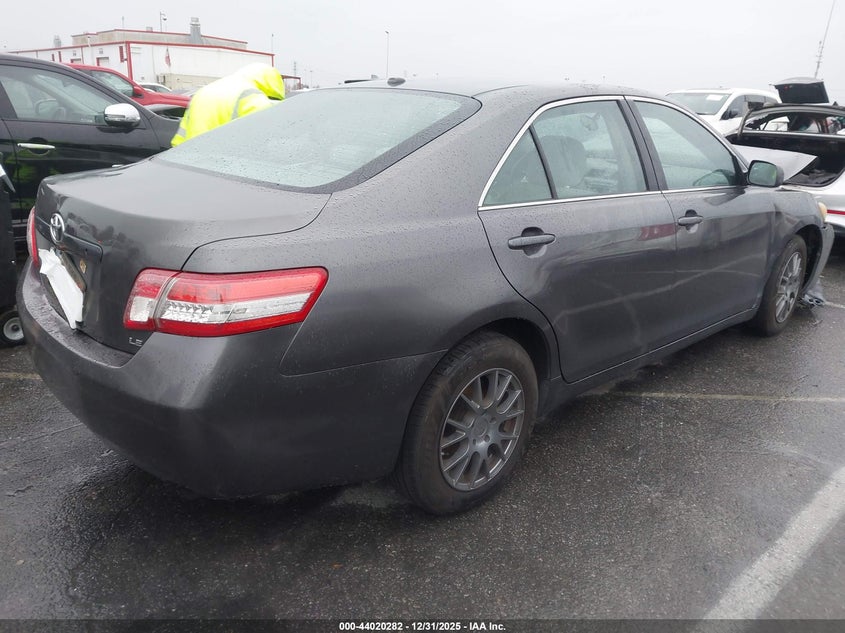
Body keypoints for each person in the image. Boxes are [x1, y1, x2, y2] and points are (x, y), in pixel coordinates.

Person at [171, 63, 286, 146]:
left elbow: (179, 139)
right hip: (222, 166)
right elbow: (264, 140)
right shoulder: (251, 94)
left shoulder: (204, 91)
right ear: (270, 88)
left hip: (188, 163)